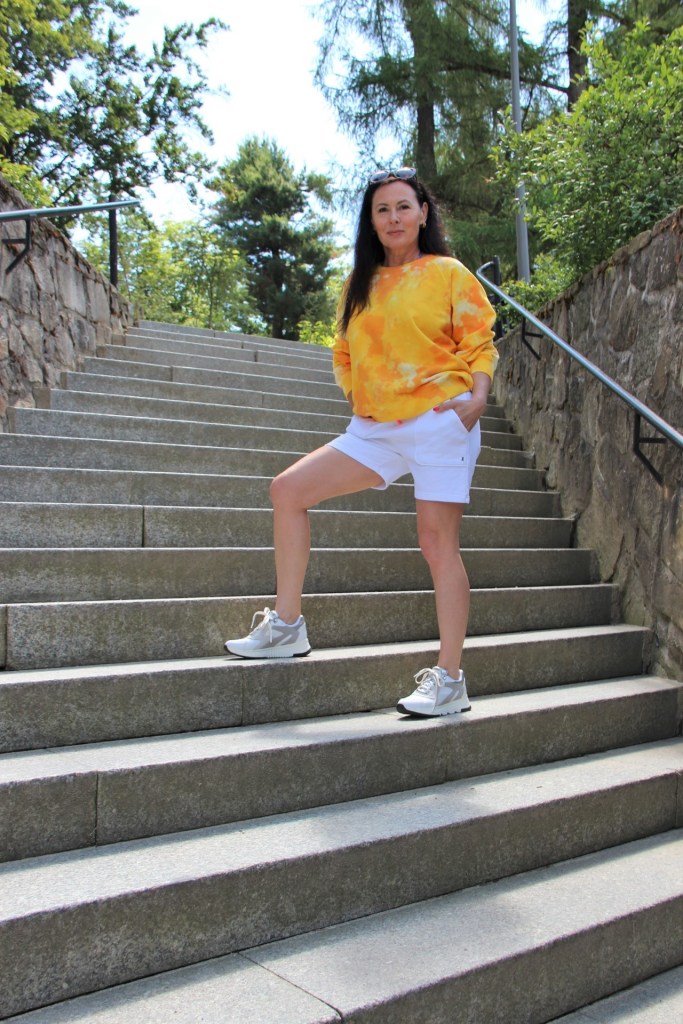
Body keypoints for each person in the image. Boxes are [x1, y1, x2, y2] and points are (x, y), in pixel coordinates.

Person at [225, 167, 498, 717]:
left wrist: (477, 399)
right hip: (374, 428)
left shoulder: (447, 272)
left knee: (436, 545)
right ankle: (287, 626)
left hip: (441, 419)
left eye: (404, 206)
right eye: (382, 209)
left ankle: (449, 679)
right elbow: (343, 351)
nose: (394, 218)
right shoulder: (359, 283)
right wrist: (359, 393)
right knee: (287, 491)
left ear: (423, 213)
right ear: (371, 221)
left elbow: (479, 342)